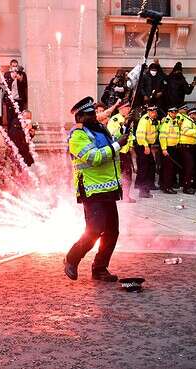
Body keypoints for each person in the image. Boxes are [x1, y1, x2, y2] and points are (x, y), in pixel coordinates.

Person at [64, 97, 128, 282]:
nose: (95, 115)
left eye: (95, 112)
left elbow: (113, 145)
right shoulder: (77, 136)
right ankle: (71, 258)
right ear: (81, 117)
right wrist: (117, 144)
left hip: (109, 188)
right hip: (91, 190)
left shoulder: (100, 129)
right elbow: (94, 157)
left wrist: (123, 133)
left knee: (112, 231)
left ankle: (99, 268)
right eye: (91, 113)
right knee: (94, 230)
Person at [107, 101, 135, 203]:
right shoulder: (115, 119)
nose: (128, 110)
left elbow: (130, 135)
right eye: (126, 108)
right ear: (120, 109)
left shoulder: (128, 119)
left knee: (127, 174)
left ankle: (125, 195)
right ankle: (121, 196)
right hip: (118, 152)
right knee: (122, 175)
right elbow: (112, 135)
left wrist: (131, 147)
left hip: (126, 151)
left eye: (129, 108)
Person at [135, 105, 159, 198]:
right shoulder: (144, 120)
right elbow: (140, 135)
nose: (154, 113)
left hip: (147, 145)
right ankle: (143, 191)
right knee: (144, 169)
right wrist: (146, 146)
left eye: (155, 112)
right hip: (142, 145)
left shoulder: (152, 120)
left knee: (151, 166)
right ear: (149, 112)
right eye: (152, 112)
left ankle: (147, 187)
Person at [178, 107, 196, 194]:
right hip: (186, 146)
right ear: (190, 114)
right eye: (195, 114)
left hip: (191, 146)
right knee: (189, 167)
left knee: (190, 167)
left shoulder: (193, 122)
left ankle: (188, 185)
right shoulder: (187, 121)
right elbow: (186, 132)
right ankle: (186, 187)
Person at [159, 107, 180, 194]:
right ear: (168, 113)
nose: (174, 114)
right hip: (168, 148)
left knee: (168, 168)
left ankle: (164, 185)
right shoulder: (167, 122)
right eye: (172, 112)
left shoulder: (174, 121)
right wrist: (164, 149)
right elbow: (162, 136)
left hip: (173, 147)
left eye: (175, 112)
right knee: (168, 169)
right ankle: (167, 187)